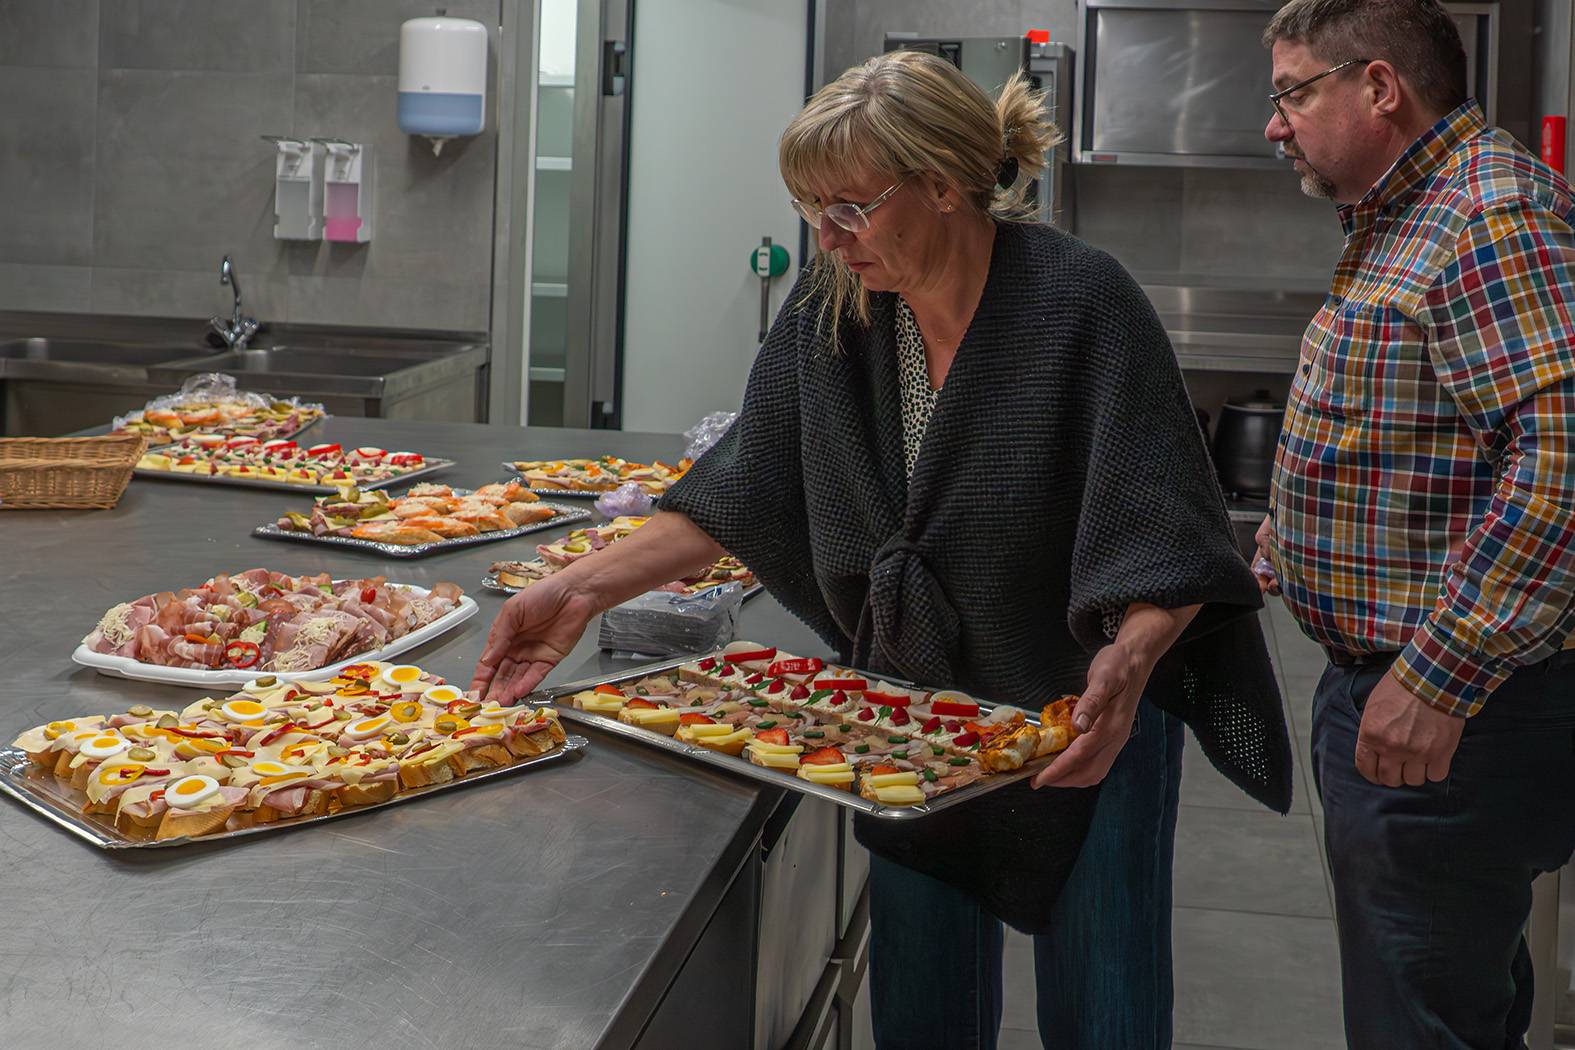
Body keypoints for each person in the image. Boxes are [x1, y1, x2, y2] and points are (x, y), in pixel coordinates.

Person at [477, 50, 1289, 1050]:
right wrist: (576, 591)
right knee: (922, 1001)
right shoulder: (835, 309)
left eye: (850, 208)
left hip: (1087, 706)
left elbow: (1166, 534)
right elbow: (740, 489)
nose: (828, 237)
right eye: (812, 208)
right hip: (921, 699)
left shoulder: (1082, 303)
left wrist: (1129, 661)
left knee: (1105, 1004)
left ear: (945, 185)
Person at [1256, 1, 1575, 1045]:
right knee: (1450, 997)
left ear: (1380, 87)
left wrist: (1436, 679)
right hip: (1417, 695)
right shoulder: (1410, 217)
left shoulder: (1485, 215)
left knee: (1417, 1021)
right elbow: (1434, 437)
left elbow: (1563, 461)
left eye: (1293, 93)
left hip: (1454, 714)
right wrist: (1300, 534)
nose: (1276, 124)